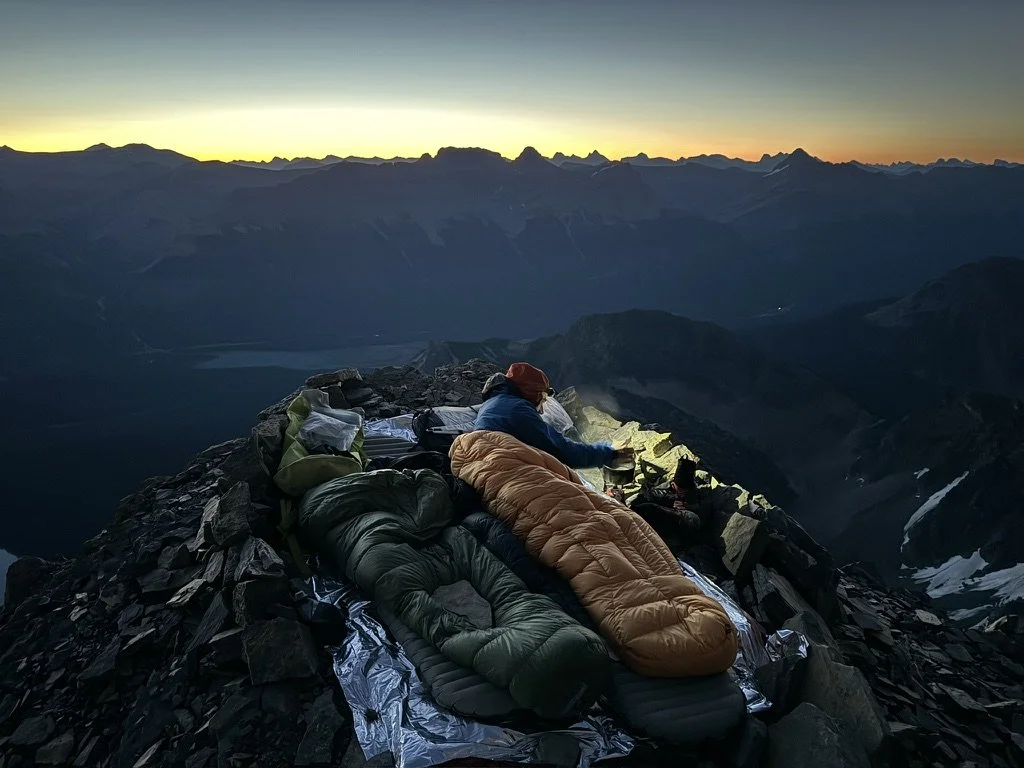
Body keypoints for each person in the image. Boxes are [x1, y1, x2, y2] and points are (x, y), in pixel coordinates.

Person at [473, 362, 634, 469]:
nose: (542, 409)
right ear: (530, 394)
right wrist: (609, 453)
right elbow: (563, 452)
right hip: (500, 471)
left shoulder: (494, 404)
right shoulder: (517, 410)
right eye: (542, 398)